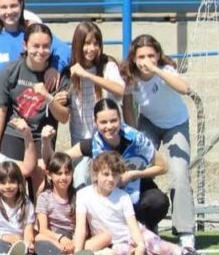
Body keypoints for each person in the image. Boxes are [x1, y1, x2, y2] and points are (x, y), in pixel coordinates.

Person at [42, 99, 169, 233]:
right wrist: (45, 141)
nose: (109, 126)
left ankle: (145, 227)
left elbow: (163, 166)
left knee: (158, 202)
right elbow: (54, 161)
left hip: (138, 189)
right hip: (109, 197)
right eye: (103, 122)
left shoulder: (136, 140)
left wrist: (133, 174)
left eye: (113, 121)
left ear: (120, 120)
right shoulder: (93, 144)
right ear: (96, 123)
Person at [121, 34, 195, 250]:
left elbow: (184, 88)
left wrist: (156, 70)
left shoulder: (165, 71)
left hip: (176, 124)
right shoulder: (130, 77)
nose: (146, 60)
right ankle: (146, 220)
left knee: (179, 172)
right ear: (134, 58)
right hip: (149, 123)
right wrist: (135, 135)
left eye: (151, 56)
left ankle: (185, 231)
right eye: (141, 56)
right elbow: (127, 107)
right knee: (137, 163)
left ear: (158, 56)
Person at [73, 151, 207, 255]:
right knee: (121, 253)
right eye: (106, 174)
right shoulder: (83, 195)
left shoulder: (123, 196)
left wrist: (140, 245)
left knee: (154, 243)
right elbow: (80, 227)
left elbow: (132, 225)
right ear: (95, 175)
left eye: (115, 175)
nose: (111, 179)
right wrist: (77, 253)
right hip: (116, 243)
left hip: (135, 233)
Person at [0, 24, 70, 169]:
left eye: (46, 46)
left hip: (43, 135)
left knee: (41, 177)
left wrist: (48, 97)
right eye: (35, 46)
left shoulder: (58, 76)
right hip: (14, 133)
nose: (41, 51)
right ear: (25, 45)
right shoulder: (11, 71)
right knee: (12, 176)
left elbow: (64, 118)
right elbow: (0, 112)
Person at [63, 22, 124, 146]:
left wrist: (88, 75)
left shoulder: (108, 65)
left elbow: (120, 89)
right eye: (87, 43)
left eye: (96, 44)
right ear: (78, 44)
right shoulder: (69, 70)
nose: (92, 48)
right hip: (80, 136)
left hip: (107, 135)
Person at [31, 151, 95, 255]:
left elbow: (82, 228)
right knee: (38, 238)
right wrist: (59, 240)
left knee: (104, 237)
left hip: (73, 239)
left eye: (67, 173)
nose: (63, 177)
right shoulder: (44, 197)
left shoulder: (78, 196)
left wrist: (74, 242)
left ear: (72, 173)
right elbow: (43, 230)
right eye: (59, 174)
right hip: (52, 237)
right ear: (49, 175)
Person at [0, 0, 68, 74]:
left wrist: (55, 69)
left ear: (21, 5)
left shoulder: (34, 32)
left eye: (13, 6)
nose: (9, 11)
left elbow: (65, 50)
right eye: (3, 7)